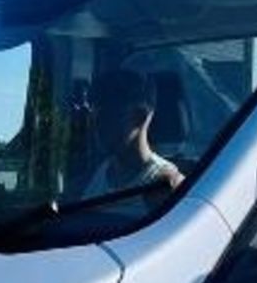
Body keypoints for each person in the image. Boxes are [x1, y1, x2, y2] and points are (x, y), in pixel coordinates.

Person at [78, 68, 185, 197]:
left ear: (140, 116)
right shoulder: (102, 172)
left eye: (106, 115)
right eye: (92, 115)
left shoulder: (164, 184)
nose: (94, 125)